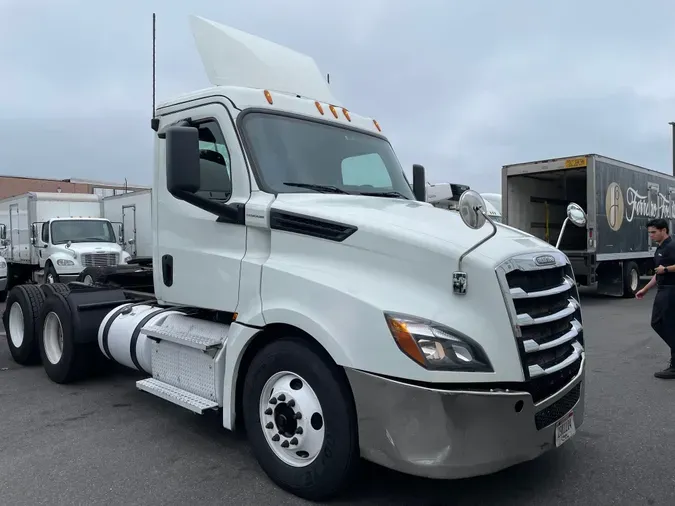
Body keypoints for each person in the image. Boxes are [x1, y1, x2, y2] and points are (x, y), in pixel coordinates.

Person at [636, 218, 675, 379]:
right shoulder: (659, 249)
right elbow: (658, 274)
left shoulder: (672, 246)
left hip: (671, 291)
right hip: (662, 289)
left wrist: (665, 269)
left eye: (654, 232)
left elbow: (663, 270)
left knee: (659, 322)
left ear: (664, 230)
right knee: (668, 325)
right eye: (649, 232)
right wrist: (645, 289)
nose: (651, 235)